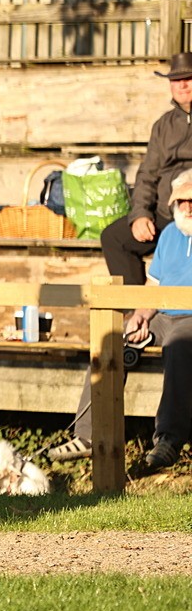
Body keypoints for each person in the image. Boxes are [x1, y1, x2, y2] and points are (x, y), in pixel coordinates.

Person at [49, 170, 192, 473]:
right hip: (163, 314)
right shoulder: (169, 236)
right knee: (113, 338)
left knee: (179, 347)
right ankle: (87, 434)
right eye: (182, 202)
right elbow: (154, 286)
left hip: (190, 319)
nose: (188, 208)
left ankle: (168, 439)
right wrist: (140, 315)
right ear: (174, 204)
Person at [99, 52, 192, 286]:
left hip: (190, 207)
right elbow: (147, 175)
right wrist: (140, 214)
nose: (182, 85)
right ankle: (135, 315)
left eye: (188, 78)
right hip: (165, 213)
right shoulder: (163, 126)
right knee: (114, 238)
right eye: (175, 79)